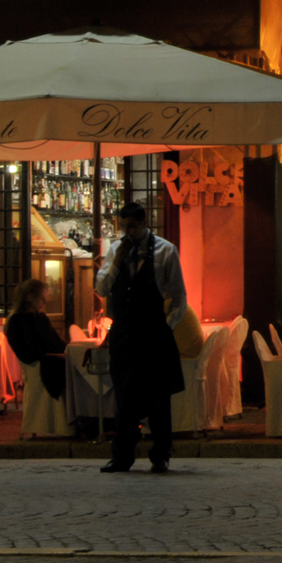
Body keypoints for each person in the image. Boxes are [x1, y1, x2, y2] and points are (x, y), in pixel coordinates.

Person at [94, 202, 186, 473]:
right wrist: (115, 262)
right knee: (124, 396)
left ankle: (160, 454)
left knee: (158, 398)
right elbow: (101, 289)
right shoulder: (115, 250)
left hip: (154, 332)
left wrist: (167, 326)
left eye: (132, 227)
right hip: (124, 333)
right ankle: (122, 455)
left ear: (144, 222)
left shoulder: (165, 250)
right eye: (123, 227)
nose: (127, 232)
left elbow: (178, 296)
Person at [4, 278, 66, 402]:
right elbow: (28, 352)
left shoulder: (40, 317)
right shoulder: (18, 321)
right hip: (38, 367)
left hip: (46, 361)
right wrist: (55, 356)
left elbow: (56, 342)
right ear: (30, 297)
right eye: (42, 299)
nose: (44, 303)